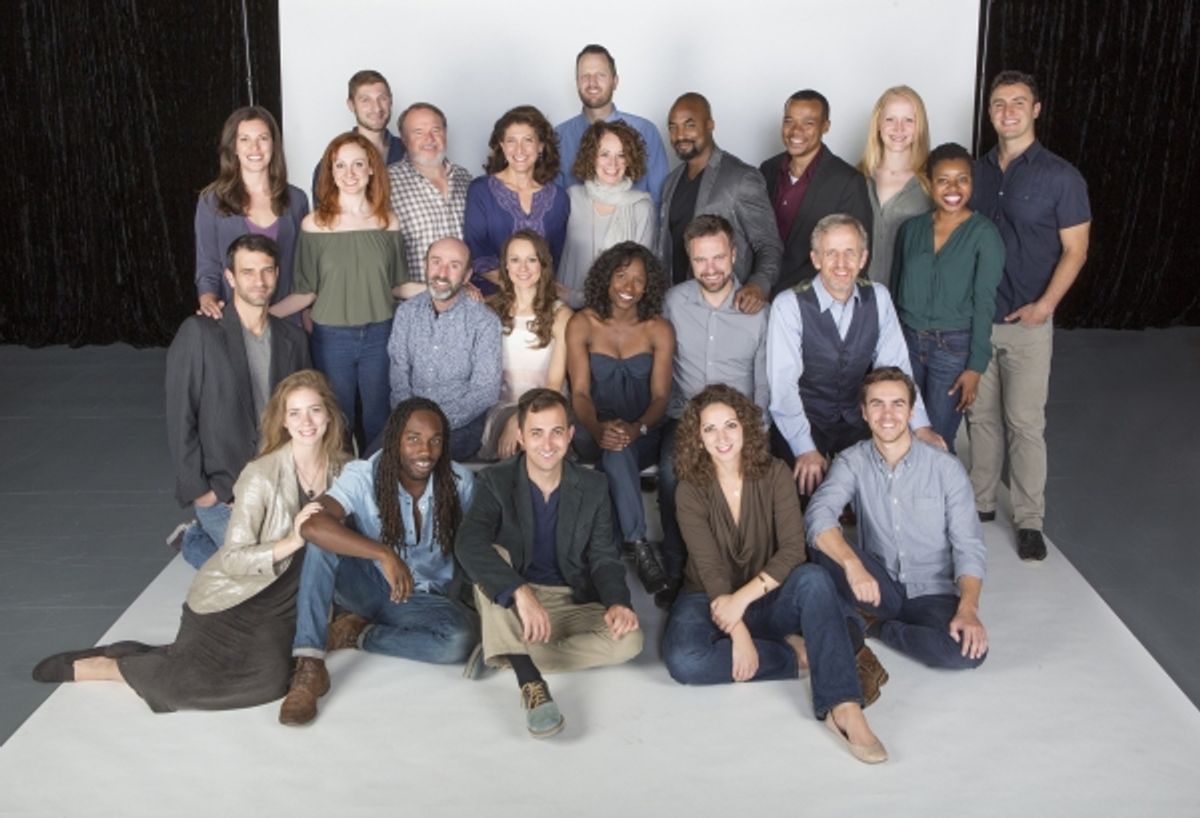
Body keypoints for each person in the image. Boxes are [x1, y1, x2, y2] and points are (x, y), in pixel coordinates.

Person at [34, 371, 351, 712]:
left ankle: (136, 652)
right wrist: (291, 540)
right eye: (295, 412)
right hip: (238, 597)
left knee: (270, 682)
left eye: (315, 410)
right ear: (283, 422)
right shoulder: (260, 475)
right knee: (186, 686)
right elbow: (233, 559)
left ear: (329, 415)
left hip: (288, 603)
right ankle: (112, 667)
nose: (306, 421)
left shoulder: (346, 470)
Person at [662, 384, 887, 764]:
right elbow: (711, 570)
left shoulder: (775, 472)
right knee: (684, 660)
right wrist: (740, 634)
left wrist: (743, 602)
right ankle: (796, 652)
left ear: (746, 427)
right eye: (710, 429)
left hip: (768, 593)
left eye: (730, 425)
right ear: (697, 438)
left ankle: (844, 706)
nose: (722, 438)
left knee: (814, 580)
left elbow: (792, 551)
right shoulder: (689, 489)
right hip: (708, 597)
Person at [456, 388, 643, 739]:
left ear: (570, 435)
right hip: (516, 601)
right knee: (489, 561)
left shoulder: (593, 485)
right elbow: (468, 543)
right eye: (537, 433)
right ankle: (530, 679)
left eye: (557, 432)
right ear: (522, 438)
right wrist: (521, 593)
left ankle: (504, 650)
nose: (547, 443)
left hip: (569, 598)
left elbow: (604, 556)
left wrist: (619, 602)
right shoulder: (496, 481)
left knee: (630, 641)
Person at [279, 398, 478, 725]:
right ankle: (310, 666)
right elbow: (312, 525)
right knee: (320, 544)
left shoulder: (459, 483)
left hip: (421, 598)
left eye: (435, 440)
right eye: (413, 438)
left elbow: (472, 548)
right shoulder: (363, 474)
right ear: (395, 438)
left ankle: (358, 634)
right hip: (368, 583)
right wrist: (383, 553)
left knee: (461, 640)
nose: (425, 450)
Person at [968, 70, 1091, 561]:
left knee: (1024, 422)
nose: (1008, 111)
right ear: (991, 112)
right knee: (980, 420)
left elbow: (1076, 251)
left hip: (1028, 324)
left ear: (1035, 109)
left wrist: (1045, 307)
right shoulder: (975, 173)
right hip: (978, 320)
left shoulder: (1061, 177)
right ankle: (979, 506)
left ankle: (1029, 520)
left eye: (1018, 102)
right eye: (999, 103)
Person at [807, 368, 989, 672]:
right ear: (864, 413)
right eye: (877, 404)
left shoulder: (946, 468)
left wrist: (968, 609)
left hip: (932, 591)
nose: (887, 414)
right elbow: (818, 515)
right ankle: (869, 615)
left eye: (898, 404)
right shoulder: (852, 460)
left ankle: (876, 628)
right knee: (817, 548)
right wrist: (853, 566)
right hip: (878, 584)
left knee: (967, 653)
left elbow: (969, 547)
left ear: (911, 411)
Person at [767, 214, 943, 497]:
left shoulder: (878, 297)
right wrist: (805, 449)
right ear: (816, 259)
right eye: (831, 253)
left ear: (863, 258)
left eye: (850, 253)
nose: (841, 263)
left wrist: (920, 426)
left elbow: (896, 369)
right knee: (802, 498)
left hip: (856, 415)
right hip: (805, 416)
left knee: (886, 493)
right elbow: (783, 385)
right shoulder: (788, 305)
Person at [166, 234, 312, 568]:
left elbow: (305, 417)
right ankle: (194, 539)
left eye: (267, 271)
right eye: (247, 272)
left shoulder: (293, 340)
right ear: (230, 277)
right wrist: (202, 492)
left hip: (278, 486)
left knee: (298, 568)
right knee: (257, 577)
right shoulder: (199, 334)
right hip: (224, 491)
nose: (259, 281)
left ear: (278, 273)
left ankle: (198, 540)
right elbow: (180, 415)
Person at [658, 214, 770, 605]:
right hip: (686, 420)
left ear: (734, 255)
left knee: (756, 478)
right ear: (690, 260)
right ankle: (676, 567)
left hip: (740, 424)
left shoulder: (756, 311)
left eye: (719, 258)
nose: (710, 269)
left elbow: (763, 382)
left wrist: (759, 433)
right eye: (701, 260)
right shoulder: (674, 302)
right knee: (674, 476)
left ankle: (746, 570)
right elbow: (664, 365)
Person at [274, 132, 408, 452]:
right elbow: (305, 292)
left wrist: (450, 289)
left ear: (372, 169)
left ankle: (379, 489)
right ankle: (341, 493)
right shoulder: (314, 225)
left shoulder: (388, 222)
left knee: (378, 417)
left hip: (380, 333)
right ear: (330, 173)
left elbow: (398, 285)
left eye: (358, 164)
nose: (349, 174)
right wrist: (256, 317)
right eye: (341, 166)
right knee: (338, 417)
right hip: (332, 337)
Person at [566, 242, 674, 596]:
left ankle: (606, 560)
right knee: (612, 446)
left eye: (639, 281)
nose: (628, 288)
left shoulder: (658, 329)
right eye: (621, 276)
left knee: (618, 450)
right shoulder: (583, 322)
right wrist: (598, 430)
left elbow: (661, 398)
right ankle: (639, 545)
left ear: (649, 287)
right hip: (590, 427)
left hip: (643, 431)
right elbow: (580, 393)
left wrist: (637, 427)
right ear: (607, 278)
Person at [892, 143, 1004, 453]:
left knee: (937, 439)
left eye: (962, 179)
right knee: (901, 431)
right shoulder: (911, 230)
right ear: (929, 183)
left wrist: (975, 367)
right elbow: (895, 288)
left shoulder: (984, 234)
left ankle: (941, 502)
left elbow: (985, 303)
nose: (953, 188)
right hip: (908, 344)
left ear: (972, 182)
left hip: (952, 349)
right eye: (943, 180)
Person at [659, 93, 781, 313]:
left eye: (689, 125)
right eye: (673, 127)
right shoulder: (671, 181)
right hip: (680, 309)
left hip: (728, 310)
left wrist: (759, 285)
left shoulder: (742, 178)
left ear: (710, 125)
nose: (679, 135)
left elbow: (769, 245)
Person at [388, 237, 502, 461]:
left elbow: (485, 391)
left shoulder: (484, 322)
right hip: (408, 422)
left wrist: (432, 422)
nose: (442, 272)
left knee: (418, 465)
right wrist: (412, 420)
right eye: (436, 262)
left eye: (454, 265)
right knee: (371, 466)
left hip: (460, 427)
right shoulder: (406, 313)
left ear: (467, 276)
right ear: (425, 265)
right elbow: (398, 374)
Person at [193, 106, 309, 322]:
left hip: (286, 321)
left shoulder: (297, 200)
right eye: (244, 139)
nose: (255, 147)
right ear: (233, 147)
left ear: (273, 144)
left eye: (263, 138)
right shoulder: (211, 201)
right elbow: (208, 264)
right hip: (235, 321)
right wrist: (208, 299)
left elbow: (303, 271)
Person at [760, 90, 873, 296]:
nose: (796, 131)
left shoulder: (847, 181)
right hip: (762, 295)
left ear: (825, 127)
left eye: (808, 123)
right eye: (789, 121)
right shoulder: (767, 170)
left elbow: (857, 256)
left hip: (814, 301)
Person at [480, 231, 573, 460]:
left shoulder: (561, 314)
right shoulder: (488, 309)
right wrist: (510, 418)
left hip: (547, 406)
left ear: (543, 265)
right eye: (515, 260)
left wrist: (519, 419)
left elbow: (554, 384)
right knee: (514, 449)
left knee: (533, 440)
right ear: (506, 266)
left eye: (531, 260)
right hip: (502, 407)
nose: (523, 268)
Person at [464, 105, 569, 296]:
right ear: (502, 147)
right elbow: (478, 254)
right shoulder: (480, 190)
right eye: (511, 141)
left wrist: (537, 295)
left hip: (540, 301)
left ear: (541, 146)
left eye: (528, 140)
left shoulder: (559, 198)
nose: (519, 149)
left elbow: (554, 258)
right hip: (491, 299)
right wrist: (521, 289)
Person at [554, 44, 670, 208]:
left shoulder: (645, 131)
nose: (592, 83)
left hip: (636, 231)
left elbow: (660, 200)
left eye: (601, 75)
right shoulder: (559, 136)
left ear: (615, 81)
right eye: (585, 76)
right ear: (577, 82)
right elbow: (554, 203)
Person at [557, 119, 656, 308]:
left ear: (630, 159)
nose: (613, 163)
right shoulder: (570, 198)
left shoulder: (641, 206)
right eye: (605, 154)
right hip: (565, 311)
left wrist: (577, 298)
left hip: (616, 315)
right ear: (591, 157)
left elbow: (641, 274)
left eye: (621, 155)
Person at [386, 102, 473, 283]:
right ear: (404, 139)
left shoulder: (465, 179)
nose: (429, 138)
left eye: (436, 130)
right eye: (418, 132)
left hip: (465, 301)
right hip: (413, 303)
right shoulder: (387, 183)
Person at [858, 86, 933, 289]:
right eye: (890, 119)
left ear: (920, 127)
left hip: (909, 300)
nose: (899, 128)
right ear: (878, 124)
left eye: (909, 120)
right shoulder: (855, 178)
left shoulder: (932, 183)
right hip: (858, 298)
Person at [310, 70, 406, 205]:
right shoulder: (334, 160)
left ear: (391, 101)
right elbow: (324, 218)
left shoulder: (408, 152)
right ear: (351, 105)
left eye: (382, 98)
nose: (376, 108)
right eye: (366, 100)